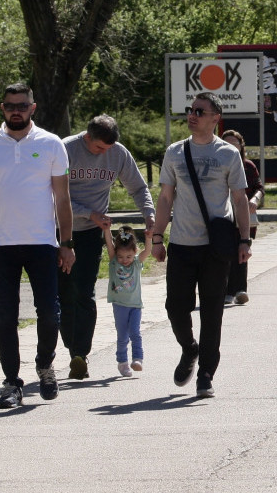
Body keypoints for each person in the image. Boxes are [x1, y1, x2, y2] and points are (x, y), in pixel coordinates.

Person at [0, 83, 74, 409]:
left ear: (32, 107)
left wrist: (66, 242)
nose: (16, 110)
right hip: (1, 244)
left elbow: (63, 197)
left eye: (22, 105)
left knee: (50, 313)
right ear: (2, 107)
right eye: (11, 105)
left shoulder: (51, 144)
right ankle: (11, 383)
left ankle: (45, 365)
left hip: (42, 243)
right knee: (6, 316)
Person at [148, 92, 251, 398]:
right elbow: (166, 198)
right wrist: (157, 237)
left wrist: (244, 239)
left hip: (215, 247)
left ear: (215, 118)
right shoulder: (175, 152)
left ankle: (206, 374)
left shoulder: (228, 154)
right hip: (181, 243)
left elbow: (239, 199)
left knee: (211, 311)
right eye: (191, 111)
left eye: (200, 111)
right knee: (175, 307)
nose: (192, 115)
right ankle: (189, 348)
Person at [59, 115, 156, 380]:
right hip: (60, 229)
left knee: (85, 290)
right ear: (87, 137)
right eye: (100, 148)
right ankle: (71, 346)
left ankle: (80, 354)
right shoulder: (65, 149)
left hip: (92, 232)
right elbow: (53, 194)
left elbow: (138, 187)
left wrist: (149, 213)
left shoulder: (118, 154)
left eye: (109, 148)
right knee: (64, 292)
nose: (105, 153)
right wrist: (87, 212)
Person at [221, 129, 264, 305]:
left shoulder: (248, 166)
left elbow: (259, 188)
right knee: (226, 251)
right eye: (227, 143)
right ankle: (227, 291)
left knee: (242, 249)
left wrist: (254, 200)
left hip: (244, 214)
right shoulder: (217, 165)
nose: (231, 147)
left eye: (235, 143)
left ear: (241, 146)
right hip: (223, 215)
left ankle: (240, 290)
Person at [104, 225, 149, 377]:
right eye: (121, 257)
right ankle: (122, 362)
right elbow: (110, 244)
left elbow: (147, 251)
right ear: (116, 255)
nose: (124, 260)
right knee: (123, 335)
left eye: (128, 257)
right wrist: (106, 230)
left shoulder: (136, 263)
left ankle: (137, 359)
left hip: (135, 305)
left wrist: (149, 238)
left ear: (134, 253)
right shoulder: (114, 262)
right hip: (120, 306)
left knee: (135, 332)